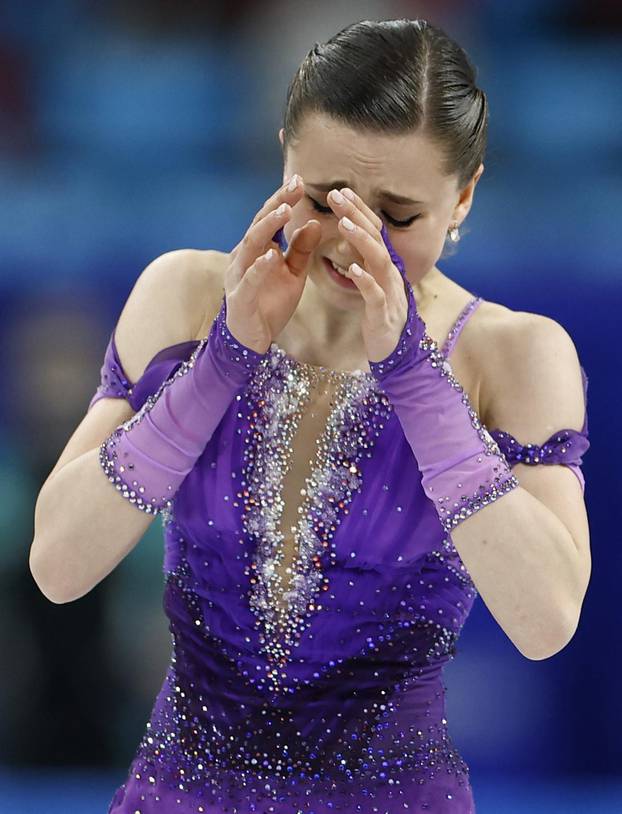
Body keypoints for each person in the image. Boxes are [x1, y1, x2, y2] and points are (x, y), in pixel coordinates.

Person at [30, 17, 591, 814]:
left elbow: (545, 621)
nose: (348, 243)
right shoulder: (188, 295)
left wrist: (416, 379)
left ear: (463, 197)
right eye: (326, 199)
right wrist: (222, 359)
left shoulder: (512, 354)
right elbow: (59, 565)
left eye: (396, 218)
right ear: (283, 156)